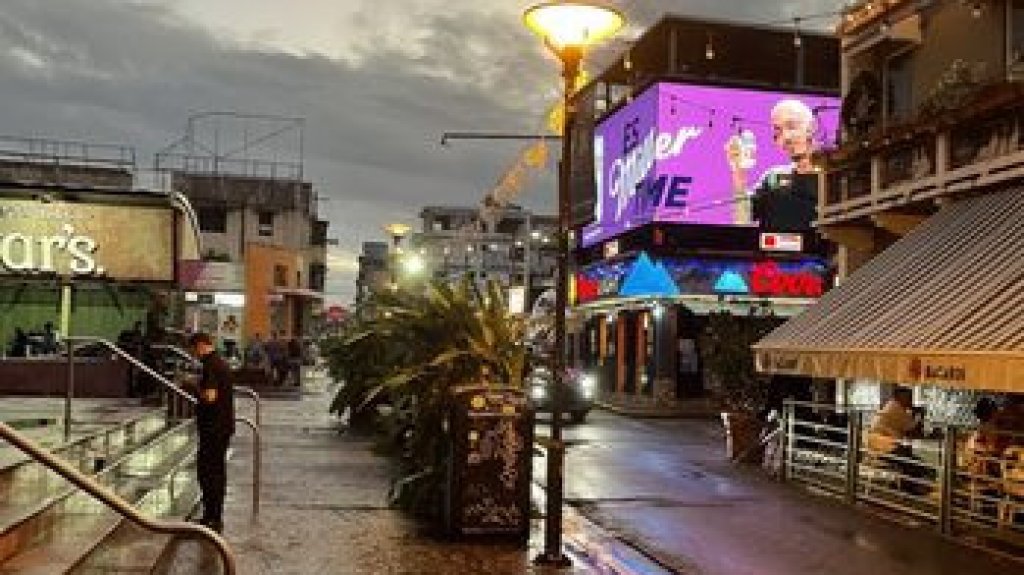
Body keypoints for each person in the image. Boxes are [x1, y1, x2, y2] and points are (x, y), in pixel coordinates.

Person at [725, 98, 819, 224]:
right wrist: (738, 172)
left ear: (811, 127)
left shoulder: (831, 180)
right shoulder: (772, 179)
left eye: (791, 127)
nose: (785, 137)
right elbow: (742, 220)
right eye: (778, 130)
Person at [188, 332, 235, 533]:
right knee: (217, 471)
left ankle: (212, 517)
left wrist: (192, 386)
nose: (194, 354)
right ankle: (214, 516)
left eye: (193, 350)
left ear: (199, 346)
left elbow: (210, 397)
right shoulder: (221, 363)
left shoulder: (211, 366)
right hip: (222, 426)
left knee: (208, 472)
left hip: (213, 428)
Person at [866, 387, 932, 495]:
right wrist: (920, 415)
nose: (911, 401)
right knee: (915, 462)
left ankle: (904, 485)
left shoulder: (891, 406)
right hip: (885, 448)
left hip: (878, 447)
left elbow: (909, 430)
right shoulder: (896, 409)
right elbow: (913, 430)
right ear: (900, 397)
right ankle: (908, 489)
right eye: (909, 397)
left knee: (910, 456)